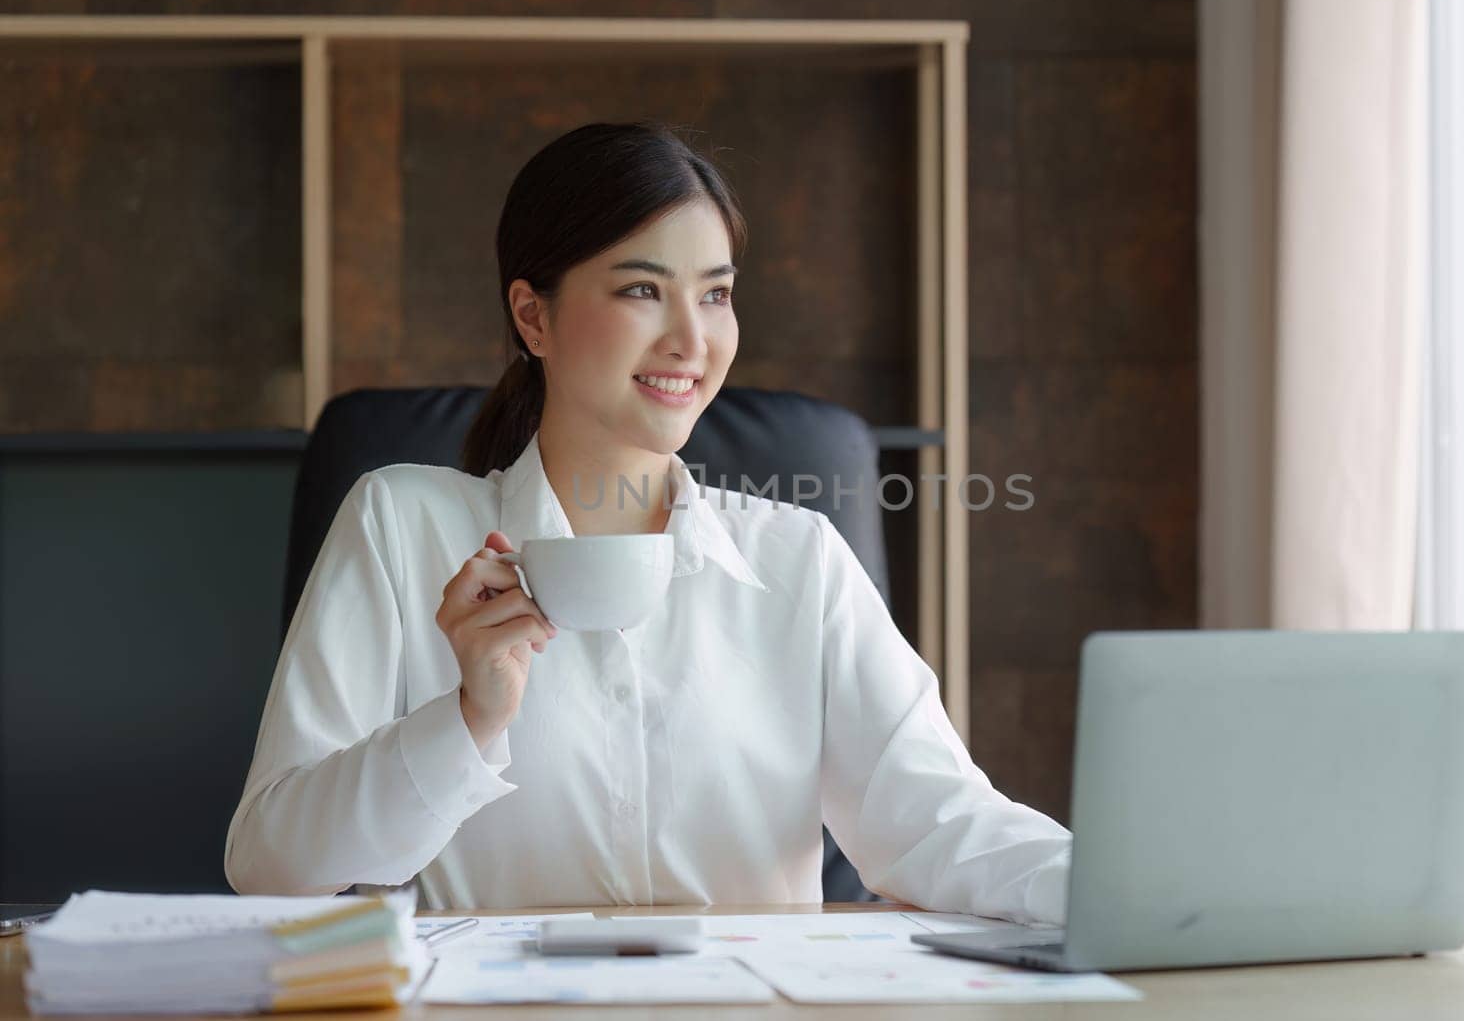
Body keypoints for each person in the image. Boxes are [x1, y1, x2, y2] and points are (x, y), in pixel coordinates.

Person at [225, 122, 1070, 923]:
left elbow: (943, 822)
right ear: (533, 316)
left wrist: (1137, 893)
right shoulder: (402, 524)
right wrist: (469, 719)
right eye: (642, 290)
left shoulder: (797, 559)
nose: (691, 339)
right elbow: (272, 865)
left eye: (716, 295)